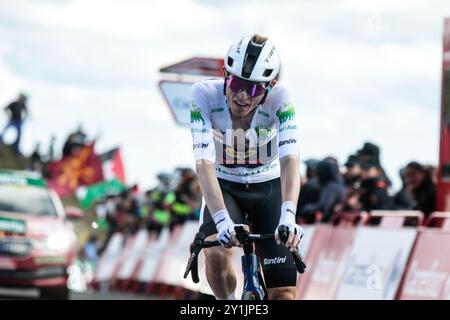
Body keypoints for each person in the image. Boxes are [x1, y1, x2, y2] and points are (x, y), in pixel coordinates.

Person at [189, 34, 304, 300]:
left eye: (253, 89)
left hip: (268, 188)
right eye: (237, 83)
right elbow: (204, 165)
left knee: (284, 294)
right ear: (225, 75)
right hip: (225, 186)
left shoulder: (281, 98)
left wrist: (288, 214)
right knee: (216, 255)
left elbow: (290, 161)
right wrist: (222, 220)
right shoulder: (203, 95)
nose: (242, 95)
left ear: (270, 87)